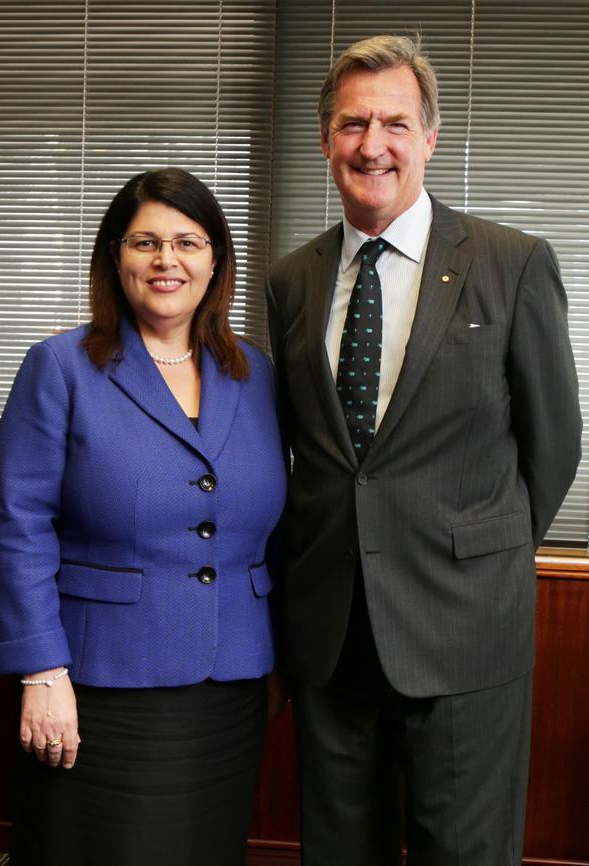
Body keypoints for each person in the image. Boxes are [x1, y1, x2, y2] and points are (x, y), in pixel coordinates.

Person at [266, 34, 581, 866]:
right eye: (352, 124)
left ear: (431, 137)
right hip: (331, 635)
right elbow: (294, 448)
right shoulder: (291, 281)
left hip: (465, 628)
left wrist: (479, 549)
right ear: (325, 139)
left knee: (464, 853)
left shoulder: (511, 264)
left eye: (395, 123)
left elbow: (554, 443)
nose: (373, 145)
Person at [0, 167, 287, 866]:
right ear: (115, 256)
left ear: (217, 261)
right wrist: (41, 670)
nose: (166, 260)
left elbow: (273, 526)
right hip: (97, 683)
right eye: (145, 241)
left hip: (232, 689)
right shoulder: (60, 365)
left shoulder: (256, 375)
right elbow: (17, 520)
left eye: (187, 241)